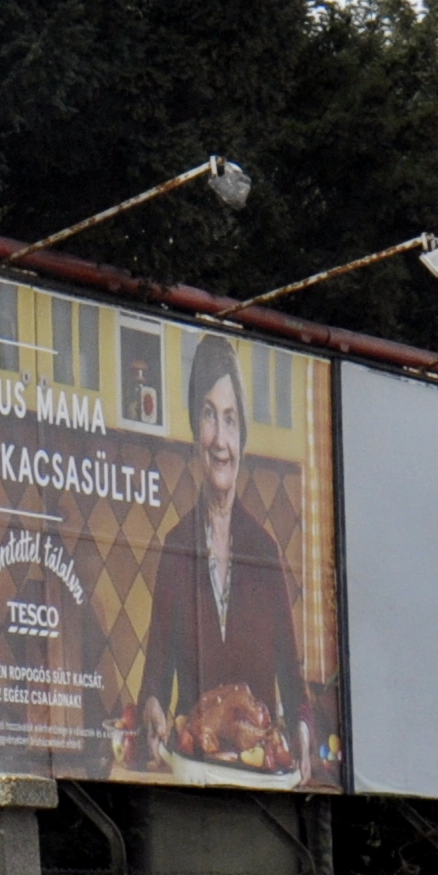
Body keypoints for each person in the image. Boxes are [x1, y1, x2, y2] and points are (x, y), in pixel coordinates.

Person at [135, 333, 308, 778]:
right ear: (196, 430)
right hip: (195, 771)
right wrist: (152, 708)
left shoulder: (265, 551)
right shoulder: (176, 546)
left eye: (230, 420)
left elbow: (292, 676)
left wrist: (303, 731)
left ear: (243, 438)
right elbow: (155, 675)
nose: (220, 440)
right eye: (209, 416)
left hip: (262, 775)